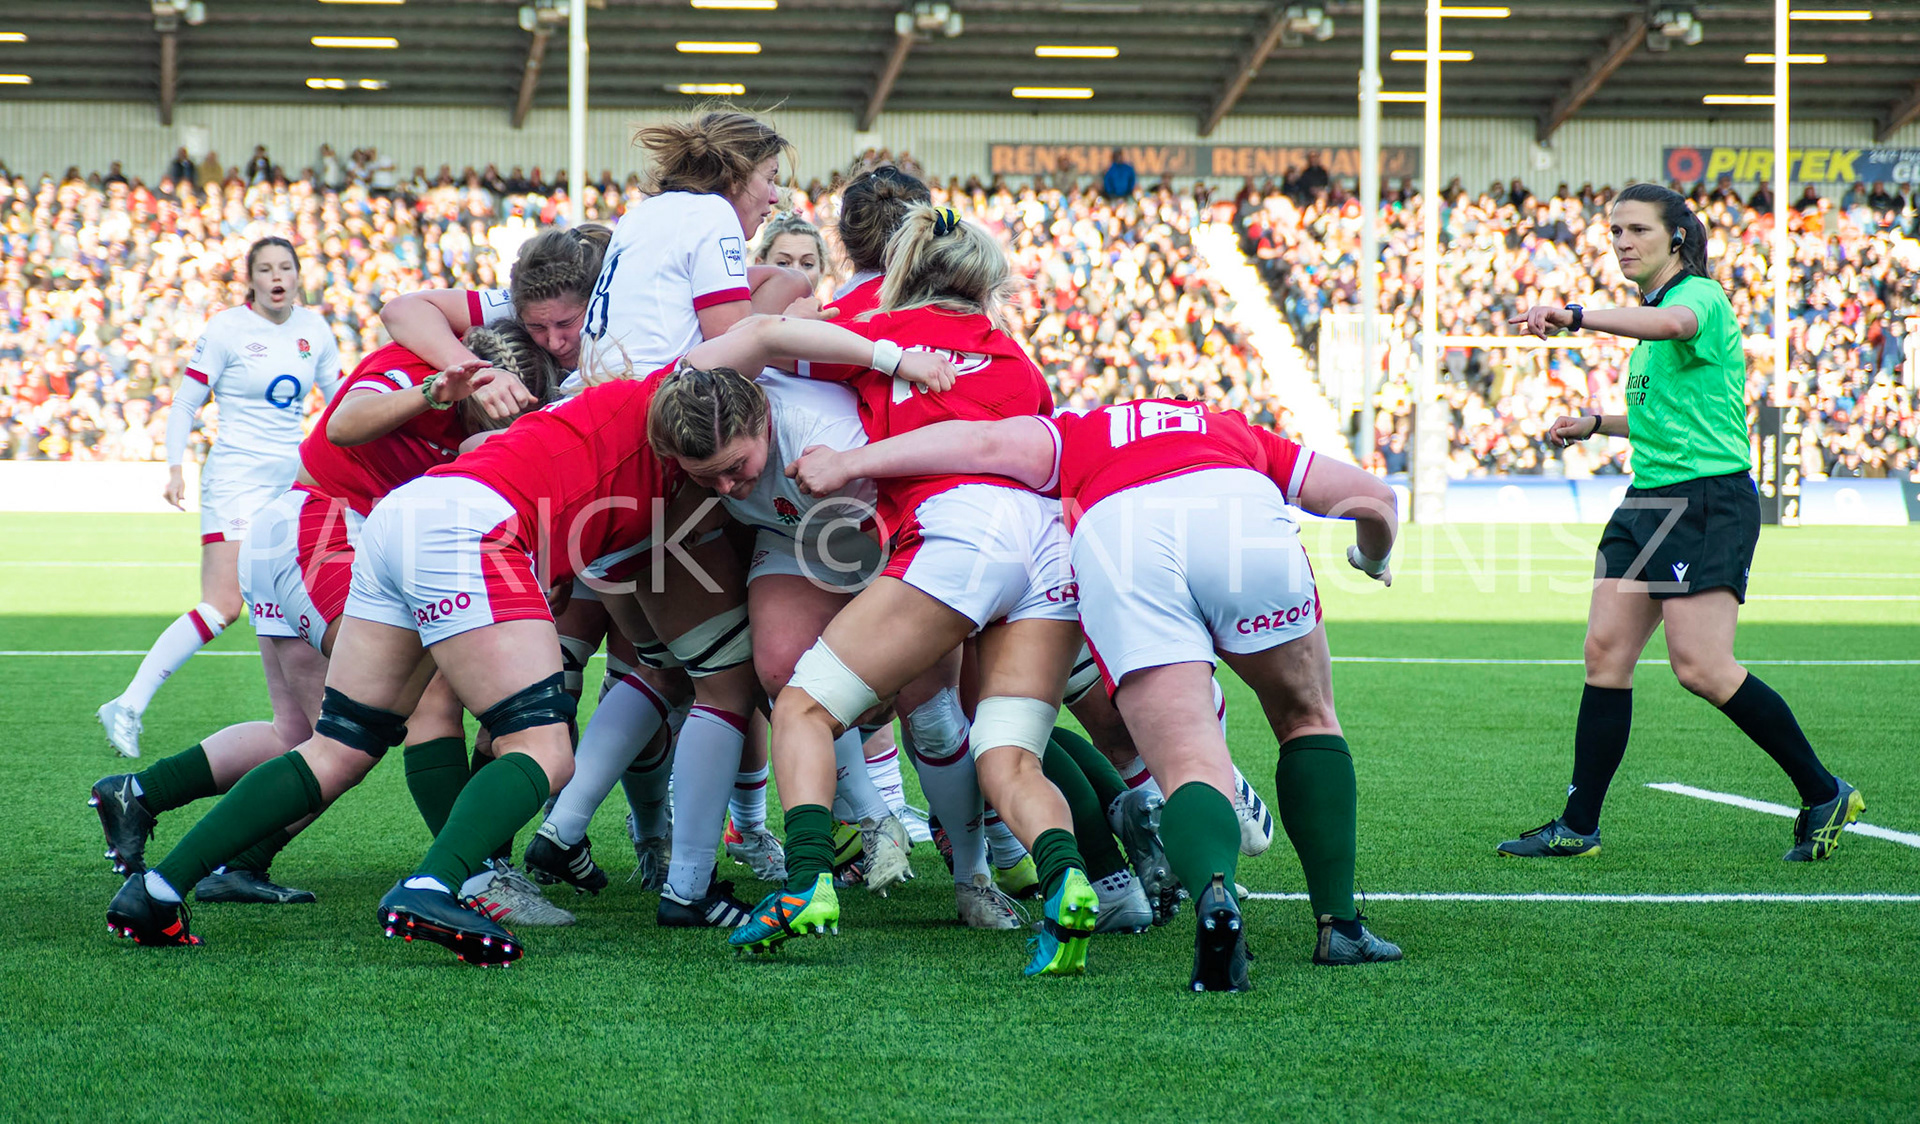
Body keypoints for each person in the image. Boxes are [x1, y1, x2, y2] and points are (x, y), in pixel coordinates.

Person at [103, 312, 953, 960]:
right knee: (544, 747)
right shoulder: (693, 415)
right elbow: (766, 329)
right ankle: (436, 884)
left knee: (341, 746)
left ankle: (157, 887)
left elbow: (757, 344)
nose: (732, 484)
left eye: (733, 470)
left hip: (400, 522)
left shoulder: (670, 399)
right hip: (470, 532)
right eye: (715, 475)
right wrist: (895, 359)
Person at [789, 395, 1406, 989]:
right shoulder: (1230, 428)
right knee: (1306, 720)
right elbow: (1372, 499)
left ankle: (1216, 902)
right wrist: (1370, 557)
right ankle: (1339, 926)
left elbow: (980, 441)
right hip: (1237, 513)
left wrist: (850, 462)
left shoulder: (1079, 431)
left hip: (1121, 537)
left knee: (1190, 761)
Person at [726, 205, 1101, 978]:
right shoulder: (1020, 360)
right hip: (1046, 548)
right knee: (1007, 754)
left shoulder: (876, 327)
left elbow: (766, 346)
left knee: (802, 704)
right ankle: (1065, 879)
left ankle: (806, 885)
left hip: (957, 534)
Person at [90, 326, 559, 916]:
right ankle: (474, 880)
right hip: (323, 531)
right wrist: (435, 392)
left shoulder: (463, 403)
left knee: (304, 737)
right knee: (421, 699)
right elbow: (344, 419)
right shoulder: (412, 365)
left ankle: (149, 800)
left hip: (303, 535)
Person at [1502, 182, 1863, 862]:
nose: (1622, 242)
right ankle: (1579, 827)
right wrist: (1596, 424)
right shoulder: (1649, 322)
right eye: (1614, 233)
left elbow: (1675, 326)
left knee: (1701, 667)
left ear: (1675, 238)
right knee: (1605, 655)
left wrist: (1575, 315)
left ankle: (1824, 791)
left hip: (1704, 502)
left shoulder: (1695, 296)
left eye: (1636, 230)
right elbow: (1662, 417)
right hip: (1649, 500)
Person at [95, 238, 341, 758]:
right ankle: (129, 703)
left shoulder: (314, 330)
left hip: (290, 483)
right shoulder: (227, 328)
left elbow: (339, 402)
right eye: (265, 269)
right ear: (250, 279)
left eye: (286, 267)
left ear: (299, 275)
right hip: (234, 479)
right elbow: (186, 403)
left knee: (276, 604)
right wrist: (174, 467)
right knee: (225, 604)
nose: (277, 277)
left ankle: (297, 725)